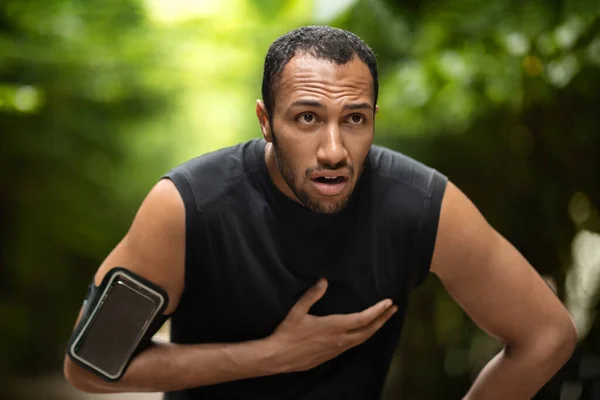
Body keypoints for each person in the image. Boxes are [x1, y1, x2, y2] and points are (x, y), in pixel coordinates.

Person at [63, 25, 577, 399]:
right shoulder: (187, 208)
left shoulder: (418, 204)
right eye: (307, 117)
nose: (334, 149)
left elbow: (547, 334)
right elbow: (89, 366)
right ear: (265, 121)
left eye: (354, 119)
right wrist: (273, 356)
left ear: (374, 118)